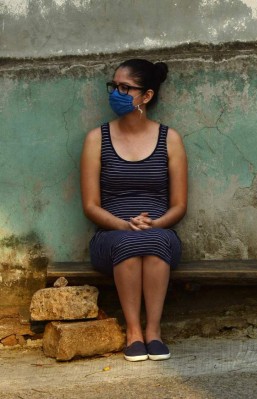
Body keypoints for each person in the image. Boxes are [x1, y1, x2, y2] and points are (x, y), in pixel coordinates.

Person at [80, 59, 187, 362]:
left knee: (154, 243)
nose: (116, 92)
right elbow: (90, 205)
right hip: (110, 233)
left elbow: (179, 205)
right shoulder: (96, 139)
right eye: (114, 86)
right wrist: (122, 224)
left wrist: (156, 223)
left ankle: (153, 331)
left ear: (147, 96)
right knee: (127, 244)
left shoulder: (171, 139)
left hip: (159, 230)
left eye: (125, 88)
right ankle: (133, 332)